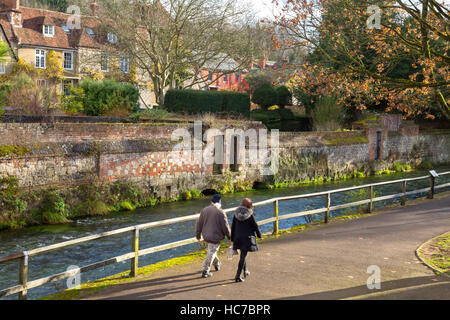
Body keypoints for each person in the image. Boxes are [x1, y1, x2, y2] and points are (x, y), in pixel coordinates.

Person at [195, 194, 231, 278]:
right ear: (219, 202)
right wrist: (229, 237)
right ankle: (205, 271)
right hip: (215, 237)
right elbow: (225, 226)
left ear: (211, 202)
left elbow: (199, 224)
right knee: (211, 252)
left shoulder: (204, 210)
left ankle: (217, 263)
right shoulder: (221, 212)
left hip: (206, 236)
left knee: (211, 252)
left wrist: (198, 234)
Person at [231, 198, 262, 282]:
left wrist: (232, 238)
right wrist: (259, 235)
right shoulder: (250, 214)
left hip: (238, 237)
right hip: (247, 238)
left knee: (243, 255)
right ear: (249, 205)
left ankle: (245, 271)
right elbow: (255, 226)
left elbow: (233, 227)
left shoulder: (236, 214)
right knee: (243, 256)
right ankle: (237, 276)